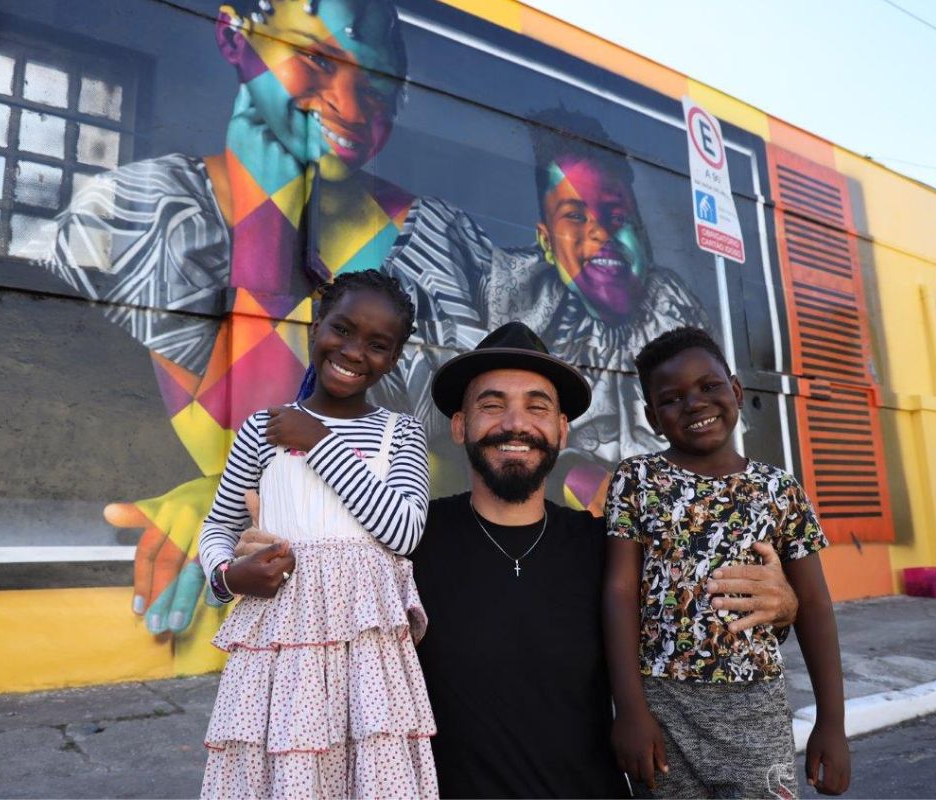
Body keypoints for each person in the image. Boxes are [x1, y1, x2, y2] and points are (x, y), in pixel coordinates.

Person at [40, 0, 489, 635]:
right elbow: (229, 438)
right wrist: (269, 232)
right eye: (318, 58)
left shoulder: (442, 240)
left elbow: (437, 462)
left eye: (378, 80)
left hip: (373, 617)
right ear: (233, 34)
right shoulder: (135, 217)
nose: (354, 107)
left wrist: (272, 221)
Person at [235, 321, 801, 799]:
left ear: (560, 428)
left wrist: (785, 607)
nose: (514, 424)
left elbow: (701, 623)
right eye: (491, 405)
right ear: (460, 426)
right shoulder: (401, 544)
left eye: (537, 406)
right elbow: (315, 629)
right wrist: (266, 567)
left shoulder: (610, 549)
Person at [196, 269, 437, 798]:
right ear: (315, 325)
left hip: (366, 650)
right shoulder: (262, 430)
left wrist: (319, 443)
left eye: (377, 345)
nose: (353, 352)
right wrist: (228, 576)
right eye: (342, 330)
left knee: (372, 771)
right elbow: (219, 526)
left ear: (393, 358)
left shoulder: (402, 432)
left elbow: (403, 532)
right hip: (279, 647)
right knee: (285, 770)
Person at [603, 326, 850, 799]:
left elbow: (815, 605)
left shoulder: (780, 489)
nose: (695, 403)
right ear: (654, 418)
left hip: (756, 706)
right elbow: (618, 594)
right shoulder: (636, 480)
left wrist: (831, 725)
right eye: (672, 399)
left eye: (709, 386)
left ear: (735, 390)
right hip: (663, 706)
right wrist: (629, 709)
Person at [475, 109, 710, 512]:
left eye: (617, 216)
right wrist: (580, 478)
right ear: (546, 241)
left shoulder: (674, 309)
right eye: (576, 216)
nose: (602, 233)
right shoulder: (519, 303)